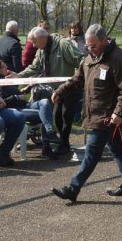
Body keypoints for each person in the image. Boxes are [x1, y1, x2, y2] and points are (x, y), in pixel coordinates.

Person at [50, 24, 122, 203]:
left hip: (107, 118)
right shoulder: (89, 58)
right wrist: (60, 91)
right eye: (88, 46)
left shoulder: (119, 58)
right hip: (94, 114)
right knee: (118, 151)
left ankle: (73, 188)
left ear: (105, 40)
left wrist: (119, 113)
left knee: (91, 153)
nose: (90, 49)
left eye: (94, 46)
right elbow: (77, 80)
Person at [15, 27, 84, 155]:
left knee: (65, 117)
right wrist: (19, 76)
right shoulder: (42, 50)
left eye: (35, 42)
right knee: (57, 116)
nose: (34, 45)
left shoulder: (63, 44)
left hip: (69, 87)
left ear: (43, 38)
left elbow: (81, 60)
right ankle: (62, 143)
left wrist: (76, 78)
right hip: (55, 90)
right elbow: (34, 67)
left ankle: (65, 144)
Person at [0, 59, 60, 159]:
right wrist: (16, 97)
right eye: (3, 66)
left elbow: (18, 95)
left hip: (26, 106)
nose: (7, 67)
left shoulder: (5, 80)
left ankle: (50, 132)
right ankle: (47, 148)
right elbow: (1, 102)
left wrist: (27, 88)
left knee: (45, 102)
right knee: (46, 114)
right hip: (15, 111)